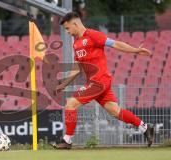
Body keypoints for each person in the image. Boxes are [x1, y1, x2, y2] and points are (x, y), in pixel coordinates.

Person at [52, 12, 154, 149]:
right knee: (115, 111)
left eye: (67, 28)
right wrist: (63, 84)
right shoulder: (76, 44)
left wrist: (135, 50)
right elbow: (76, 69)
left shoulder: (93, 35)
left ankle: (67, 140)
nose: (67, 32)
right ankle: (145, 127)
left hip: (99, 81)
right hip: (96, 83)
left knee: (70, 104)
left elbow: (115, 44)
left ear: (75, 24)